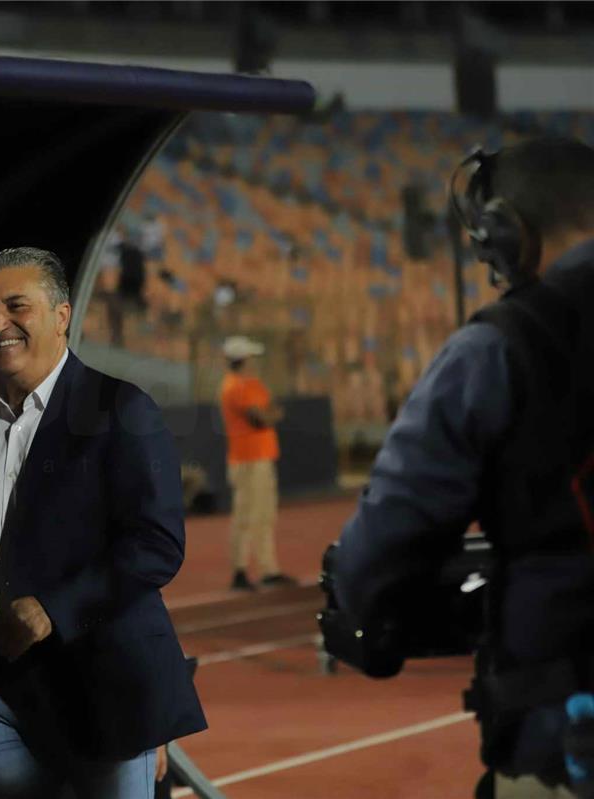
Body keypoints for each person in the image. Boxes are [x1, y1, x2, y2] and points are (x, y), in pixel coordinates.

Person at [331, 136, 594, 799]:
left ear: (507, 232)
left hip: (567, 727)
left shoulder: (500, 346)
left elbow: (382, 549)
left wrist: (373, 621)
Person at [0, 246, 206, 799]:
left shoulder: (121, 409)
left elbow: (156, 543)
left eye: (17, 306)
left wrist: (52, 610)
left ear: (62, 316)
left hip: (102, 690)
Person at [219, 335, 294, 591]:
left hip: (260, 457)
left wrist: (270, 413)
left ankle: (267, 569)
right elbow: (263, 417)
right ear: (242, 360)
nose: (255, 362)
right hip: (247, 460)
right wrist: (271, 414)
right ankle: (240, 570)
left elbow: (269, 411)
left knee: (264, 515)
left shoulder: (250, 385)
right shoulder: (236, 386)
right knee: (246, 515)